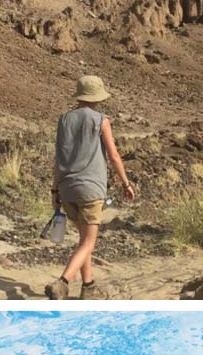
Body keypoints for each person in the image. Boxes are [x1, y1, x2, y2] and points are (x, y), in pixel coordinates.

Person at [45, 75, 136, 300]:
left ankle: (89, 287)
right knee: (88, 243)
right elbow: (114, 155)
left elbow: (58, 159)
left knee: (83, 240)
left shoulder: (64, 119)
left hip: (67, 189)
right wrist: (126, 182)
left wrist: (55, 190)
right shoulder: (101, 120)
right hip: (91, 190)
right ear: (97, 97)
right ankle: (63, 282)